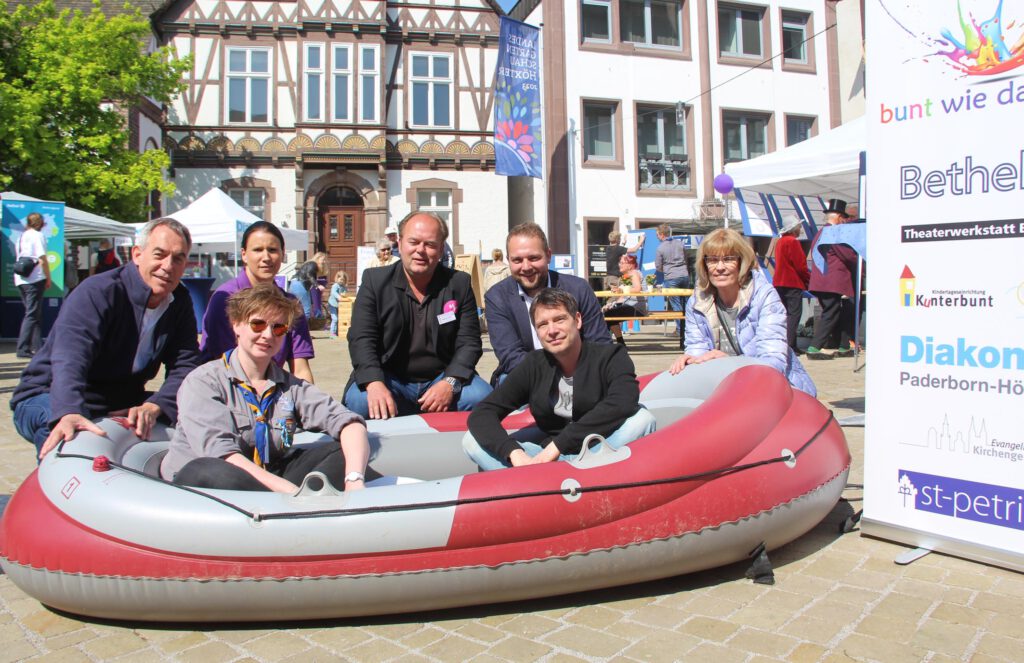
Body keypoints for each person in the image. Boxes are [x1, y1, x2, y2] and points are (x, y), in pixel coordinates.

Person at [10, 218, 202, 459]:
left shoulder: (179, 301)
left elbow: (185, 363)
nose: (168, 266)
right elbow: (70, 358)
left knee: (198, 415)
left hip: (117, 399)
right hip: (49, 393)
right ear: (137, 254)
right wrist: (68, 410)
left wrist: (158, 404)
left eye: (178, 258)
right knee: (72, 437)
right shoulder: (98, 292)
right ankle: (54, 493)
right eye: (159, 254)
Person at [161, 285, 375, 492]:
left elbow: (349, 423)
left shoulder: (290, 387)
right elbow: (222, 455)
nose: (268, 335)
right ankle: (298, 509)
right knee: (210, 469)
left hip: (266, 478)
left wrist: (354, 478)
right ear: (236, 324)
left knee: (344, 452)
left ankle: (303, 509)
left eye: (278, 328)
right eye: (258, 324)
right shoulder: (203, 381)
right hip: (206, 485)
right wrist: (292, 493)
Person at [463, 288, 656, 469]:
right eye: (543, 324)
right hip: (545, 460)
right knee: (471, 441)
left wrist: (558, 446)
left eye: (560, 319)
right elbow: (484, 412)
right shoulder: (534, 364)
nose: (552, 330)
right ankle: (539, 480)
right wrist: (514, 453)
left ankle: (544, 483)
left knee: (642, 419)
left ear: (577, 320)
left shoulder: (611, 356)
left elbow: (623, 401)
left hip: (601, 450)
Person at [343, 211, 492, 419]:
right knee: (360, 402)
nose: (420, 251)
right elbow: (361, 338)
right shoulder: (375, 282)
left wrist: (450, 382)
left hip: (441, 377)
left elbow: (469, 342)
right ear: (400, 242)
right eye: (414, 242)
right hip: (390, 378)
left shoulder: (459, 284)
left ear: (441, 249)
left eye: (430, 244)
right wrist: (374, 383)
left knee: (481, 397)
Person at [668, 228, 815, 396]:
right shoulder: (698, 300)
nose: (720, 267)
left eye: (728, 259)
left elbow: (773, 361)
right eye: (713, 260)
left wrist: (729, 363)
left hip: (774, 390)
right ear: (704, 264)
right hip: (724, 387)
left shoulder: (764, 296)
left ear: (741, 262)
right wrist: (691, 360)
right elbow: (697, 348)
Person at [486, 223, 608, 384]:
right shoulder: (497, 297)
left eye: (533, 258)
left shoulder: (579, 289)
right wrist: (556, 380)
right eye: (517, 260)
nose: (526, 267)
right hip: (525, 375)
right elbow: (510, 355)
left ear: (548, 255)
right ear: (508, 260)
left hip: (580, 374)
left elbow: (600, 343)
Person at [201, 221, 316, 383]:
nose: (266, 257)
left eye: (272, 250)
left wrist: (308, 404)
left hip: (272, 388)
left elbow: (300, 368)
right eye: (257, 250)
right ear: (244, 254)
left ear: (283, 254)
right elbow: (225, 363)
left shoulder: (291, 305)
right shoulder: (225, 298)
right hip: (226, 387)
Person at [807, 199, 858, 360]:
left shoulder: (821, 232)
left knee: (840, 312)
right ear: (837, 217)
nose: (844, 221)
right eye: (843, 217)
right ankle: (814, 347)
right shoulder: (833, 232)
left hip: (823, 280)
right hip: (831, 281)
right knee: (832, 312)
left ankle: (843, 345)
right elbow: (847, 255)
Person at [13, 212, 51, 359]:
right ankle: (23, 348)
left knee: (33, 314)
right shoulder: (37, 236)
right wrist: (48, 277)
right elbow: (42, 259)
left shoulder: (21, 236)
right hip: (34, 279)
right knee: (32, 314)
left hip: (21, 279)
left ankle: (38, 347)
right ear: (40, 222)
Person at [772, 218, 810, 354]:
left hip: (779, 282)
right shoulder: (793, 242)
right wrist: (808, 280)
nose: (800, 230)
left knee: (785, 314)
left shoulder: (780, 241)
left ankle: (785, 344)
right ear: (794, 229)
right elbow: (800, 265)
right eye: (799, 227)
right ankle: (790, 345)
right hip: (792, 282)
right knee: (794, 314)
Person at [602, 253, 647, 345]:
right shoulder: (627, 276)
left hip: (637, 308)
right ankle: (619, 342)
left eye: (622, 263)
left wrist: (621, 289)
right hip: (630, 305)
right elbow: (623, 297)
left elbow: (637, 289)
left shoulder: (634, 273)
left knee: (608, 315)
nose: (619, 264)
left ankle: (608, 343)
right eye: (620, 262)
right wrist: (612, 304)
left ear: (630, 265)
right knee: (608, 313)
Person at [654, 223, 690, 335]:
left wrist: (665, 270)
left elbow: (658, 265)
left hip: (671, 277)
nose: (657, 237)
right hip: (684, 275)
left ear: (661, 234)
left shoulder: (660, 248)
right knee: (686, 303)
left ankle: (681, 330)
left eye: (657, 235)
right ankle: (689, 329)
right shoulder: (680, 244)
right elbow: (686, 258)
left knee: (676, 305)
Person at [327, 270, 349, 337]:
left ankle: (337, 332)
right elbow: (334, 292)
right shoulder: (335, 286)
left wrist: (345, 296)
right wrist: (339, 297)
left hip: (340, 305)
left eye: (343, 280)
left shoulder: (344, 286)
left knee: (340, 318)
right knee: (335, 319)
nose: (341, 281)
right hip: (332, 304)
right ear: (337, 278)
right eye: (340, 279)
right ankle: (332, 333)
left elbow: (345, 293)